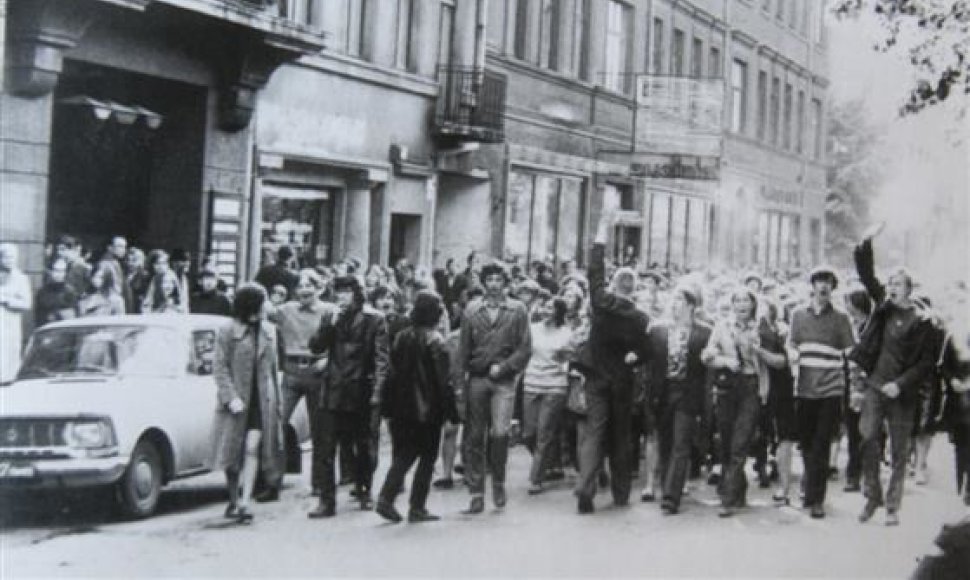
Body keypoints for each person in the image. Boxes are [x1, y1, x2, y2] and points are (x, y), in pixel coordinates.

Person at [851, 234, 937, 526]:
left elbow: (926, 364)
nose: (890, 288)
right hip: (876, 386)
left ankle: (891, 506)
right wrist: (866, 241)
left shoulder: (923, 321)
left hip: (902, 393)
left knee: (900, 451)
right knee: (867, 438)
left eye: (897, 284)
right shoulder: (882, 307)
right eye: (889, 284)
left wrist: (899, 384)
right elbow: (866, 273)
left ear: (909, 290)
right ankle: (872, 495)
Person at [572, 208, 652, 515]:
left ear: (615, 285)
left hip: (595, 377)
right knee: (621, 435)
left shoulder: (601, 303)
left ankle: (585, 487)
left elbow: (594, 270)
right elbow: (648, 350)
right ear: (636, 289)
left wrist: (601, 233)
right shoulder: (640, 317)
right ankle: (620, 493)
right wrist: (636, 356)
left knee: (593, 433)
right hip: (623, 381)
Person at [375, 290, 460, 523]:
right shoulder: (436, 340)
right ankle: (416, 506)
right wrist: (452, 412)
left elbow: (392, 372)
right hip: (428, 409)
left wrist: (387, 405)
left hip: (402, 407)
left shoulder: (402, 336)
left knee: (404, 454)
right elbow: (444, 382)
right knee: (427, 457)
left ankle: (387, 496)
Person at [308, 275, 389, 517]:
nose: (341, 297)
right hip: (333, 388)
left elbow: (381, 359)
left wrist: (378, 391)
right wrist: (328, 325)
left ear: (357, 293)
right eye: (338, 292)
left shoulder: (375, 318)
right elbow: (316, 347)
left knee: (362, 445)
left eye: (346, 291)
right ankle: (326, 499)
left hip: (360, 389)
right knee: (325, 447)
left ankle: (364, 488)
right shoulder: (330, 316)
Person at [457, 260, 532, 514]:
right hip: (477, 378)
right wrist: (459, 385)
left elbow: (525, 348)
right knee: (474, 435)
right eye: (489, 280)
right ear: (483, 282)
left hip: (503, 380)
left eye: (498, 280)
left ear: (505, 283)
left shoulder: (517, 309)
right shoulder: (471, 310)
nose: (494, 285)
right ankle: (476, 491)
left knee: (499, 434)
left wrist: (506, 366)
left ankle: (498, 482)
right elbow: (462, 351)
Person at [211, 283, 285, 523]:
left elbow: (274, 369)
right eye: (263, 301)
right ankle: (233, 498)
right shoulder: (227, 331)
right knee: (231, 455)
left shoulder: (270, 331)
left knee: (253, 448)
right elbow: (220, 368)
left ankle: (245, 500)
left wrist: (278, 402)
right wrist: (230, 397)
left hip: (261, 402)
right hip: (236, 400)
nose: (267, 306)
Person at [787, 267, 856, 519]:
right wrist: (792, 353)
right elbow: (791, 343)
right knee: (805, 443)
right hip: (805, 388)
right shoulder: (797, 314)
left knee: (821, 443)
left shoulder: (841, 318)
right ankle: (809, 488)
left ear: (832, 287)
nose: (823, 286)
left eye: (828, 282)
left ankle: (817, 499)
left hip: (831, 389)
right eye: (819, 281)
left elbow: (851, 352)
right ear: (812, 286)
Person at [645, 285, 712, 515]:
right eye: (672, 301)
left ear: (692, 306)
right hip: (662, 392)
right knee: (665, 442)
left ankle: (671, 497)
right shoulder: (658, 331)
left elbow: (708, 368)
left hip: (688, 392)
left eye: (680, 301)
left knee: (681, 442)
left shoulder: (704, 333)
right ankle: (666, 488)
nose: (675, 306)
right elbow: (648, 362)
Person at [270, 269, 337, 498]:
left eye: (310, 285)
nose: (304, 289)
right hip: (290, 372)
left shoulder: (330, 311)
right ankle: (271, 482)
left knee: (320, 430)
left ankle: (319, 483)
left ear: (320, 288)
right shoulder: (286, 310)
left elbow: (342, 340)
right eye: (300, 285)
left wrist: (328, 360)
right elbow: (261, 312)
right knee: (276, 425)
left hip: (317, 371)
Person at [702, 288, 767, 517]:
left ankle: (728, 499)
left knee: (741, 442)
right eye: (737, 300)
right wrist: (725, 361)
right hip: (727, 387)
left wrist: (764, 390)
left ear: (752, 305)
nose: (741, 305)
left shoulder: (761, 327)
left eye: (746, 301)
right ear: (732, 305)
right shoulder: (722, 327)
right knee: (727, 441)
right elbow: (707, 356)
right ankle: (738, 491)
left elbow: (767, 362)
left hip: (750, 386)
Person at [522, 297, 576, 495]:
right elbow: (523, 352)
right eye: (544, 306)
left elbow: (570, 358)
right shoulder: (532, 329)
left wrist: (564, 360)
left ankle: (535, 479)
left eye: (550, 307)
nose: (545, 310)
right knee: (528, 434)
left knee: (544, 433)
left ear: (559, 312)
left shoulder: (566, 333)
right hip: (531, 382)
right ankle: (551, 462)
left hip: (555, 385)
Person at [843, 288, 874, 493]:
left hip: (868, 384)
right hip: (848, 383)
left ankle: (868, 476)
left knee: (869, 433)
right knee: (853, 433)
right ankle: (853, 475)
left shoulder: (872, 327)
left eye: (848, 302)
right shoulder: (848, 326)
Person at [0, 244, 32, 383]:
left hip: (10, 324)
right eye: (6, 257)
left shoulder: (21, 278)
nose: (9, 260)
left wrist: (7, 300)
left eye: (12, 257)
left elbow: (27, 304)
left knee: (9, 355)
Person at [34, 257, 78, 326]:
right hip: (48, 330)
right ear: (51, 271)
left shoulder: (70, 292)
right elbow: (39, 318)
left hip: (65, 330)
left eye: (62, 271)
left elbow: (74, 316)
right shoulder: (42, 292)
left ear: (65, 273)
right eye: (56, 270)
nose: (59, 274)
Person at [97, 236, 133, 313]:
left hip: (117, 301)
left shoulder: (116, 263)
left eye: (124, 247)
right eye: (120, 246)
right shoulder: (105, 263)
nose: (123, 250)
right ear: (110, 248)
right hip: (109, 302)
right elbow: (97, 282)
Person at [126, 248, 152, 314]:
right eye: (128, 260)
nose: (130, 263)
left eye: (134, 260)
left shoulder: (145, 276)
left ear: (141, 261)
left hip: (139, 310)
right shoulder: (124, 274)